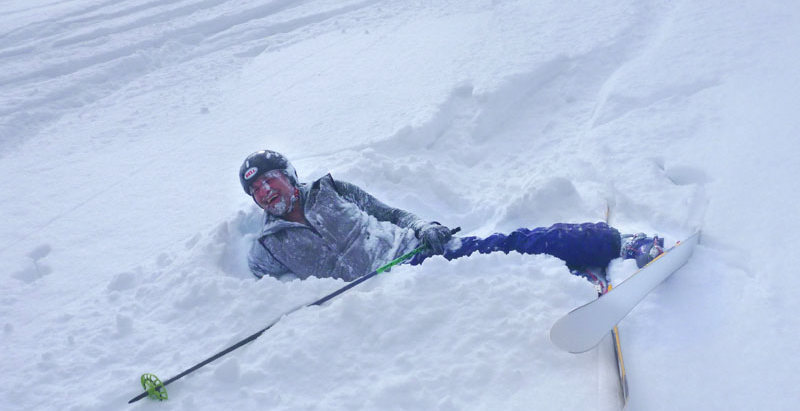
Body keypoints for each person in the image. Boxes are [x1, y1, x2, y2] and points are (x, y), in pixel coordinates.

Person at [240, 150, 664, 283]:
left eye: (270, 180)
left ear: (289, 177)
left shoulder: (330, 190)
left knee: (510, 247)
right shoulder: (267, 248)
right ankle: (570, 280)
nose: (265, 192)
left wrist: (423, 227)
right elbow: (270, 300)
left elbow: (388, 212)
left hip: (417, 256)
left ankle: (615, 242)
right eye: (256, 190)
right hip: (373, 300)